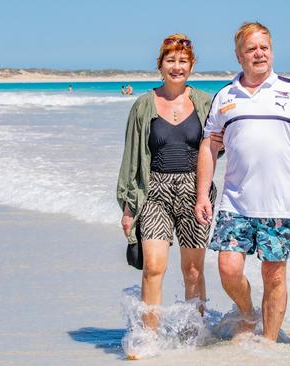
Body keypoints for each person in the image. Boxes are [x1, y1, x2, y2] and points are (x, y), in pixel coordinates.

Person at [194, 22, 290, 341]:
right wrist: (202, 194)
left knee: (274, 275)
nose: (259, 53)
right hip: (235, 203)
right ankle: (248, 312)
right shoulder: (225, 97)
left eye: (264, 47)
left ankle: (269, 345)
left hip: (279, 204)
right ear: (238, 55)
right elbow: (209, 146)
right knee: (228, 269)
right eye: (251, 48)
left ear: (271, 51)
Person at [116, 33, 218, 359]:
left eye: (183, 61)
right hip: (155, 192)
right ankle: (148, 337)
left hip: (195, 192)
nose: (177, 67)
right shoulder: (143, 106)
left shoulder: (205, 103)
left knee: (193, 271)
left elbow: (220, 146)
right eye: (170, 61)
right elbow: (132, 159)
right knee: (154, 268)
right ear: (160, 65)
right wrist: (129, 207)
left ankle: (194, 334)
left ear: (192, 65)